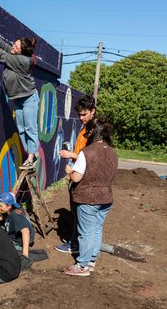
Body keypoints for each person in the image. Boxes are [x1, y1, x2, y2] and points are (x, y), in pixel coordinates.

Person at [0, 12, 39, 169]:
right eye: (14, 44)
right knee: (21, 128)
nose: (13, 47)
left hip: (29, 98)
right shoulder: (15, 53)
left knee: (30, 127)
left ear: (22, 52)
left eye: (16, 47)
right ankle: (30, 155)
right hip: (18, 99)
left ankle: (32, 156)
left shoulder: (23, 61)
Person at [63, 117, 118, 276]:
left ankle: (82, 266)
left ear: (93, 132)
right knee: (96, 229)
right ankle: (92, 261)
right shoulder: (113, 153)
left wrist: (69, 171)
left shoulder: (87, 152)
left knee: (86, 231)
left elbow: (77, 178)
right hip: (106, 197)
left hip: (88, 197)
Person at [55, 94, 96, 254]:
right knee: (76, 211)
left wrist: (71, 155)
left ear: (93, 111)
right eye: (79, 114)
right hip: (76, 174)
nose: (81, 117)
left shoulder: (93, 130)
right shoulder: (85, 127)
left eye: (84, 114)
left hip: (83, 179)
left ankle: (75, 245)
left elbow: (92, 156)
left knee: (80, 213)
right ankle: (77, 242)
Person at [0, 192, 35, 259]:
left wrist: (25, 256)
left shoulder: (16, 216)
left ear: (9, 206)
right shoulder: (8, 211)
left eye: (1, 206)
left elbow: (26, 232)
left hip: (18, 242)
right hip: (13, 235)